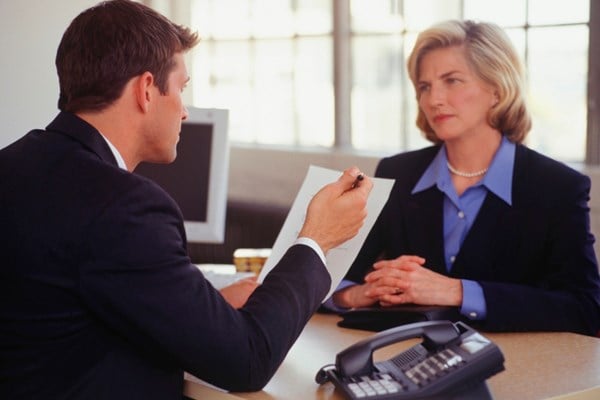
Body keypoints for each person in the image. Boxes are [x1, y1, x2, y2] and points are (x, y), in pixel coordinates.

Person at [0, 1, 373, 399]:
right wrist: (317, 239)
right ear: (146, 90)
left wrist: (203, 304)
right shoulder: (125, 207)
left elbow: (75, 302)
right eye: (181, 88)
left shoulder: (15, 163)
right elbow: (246, 360)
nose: (183, 111)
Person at [329, 20, 600, 336]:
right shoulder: (397, 174)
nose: (433, 100)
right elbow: (331, 275)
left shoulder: (557, 187)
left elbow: (587, 309)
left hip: (520, 373)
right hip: (406, 365)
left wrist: (457, 291)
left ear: (497, 90)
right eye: (424, 86)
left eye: (452, 81)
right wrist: (357, 295)